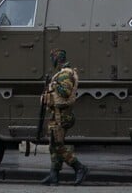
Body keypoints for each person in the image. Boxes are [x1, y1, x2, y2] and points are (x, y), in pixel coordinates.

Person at [40, 49, 88, 186]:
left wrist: (54, 85)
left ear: (56, 59)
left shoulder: (65, 74)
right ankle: (53, 176)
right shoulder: (63, 73)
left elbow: (65, 92)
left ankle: (79, 167)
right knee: (53, 146)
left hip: (62, 116)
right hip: (58, 115)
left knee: (58, 146)